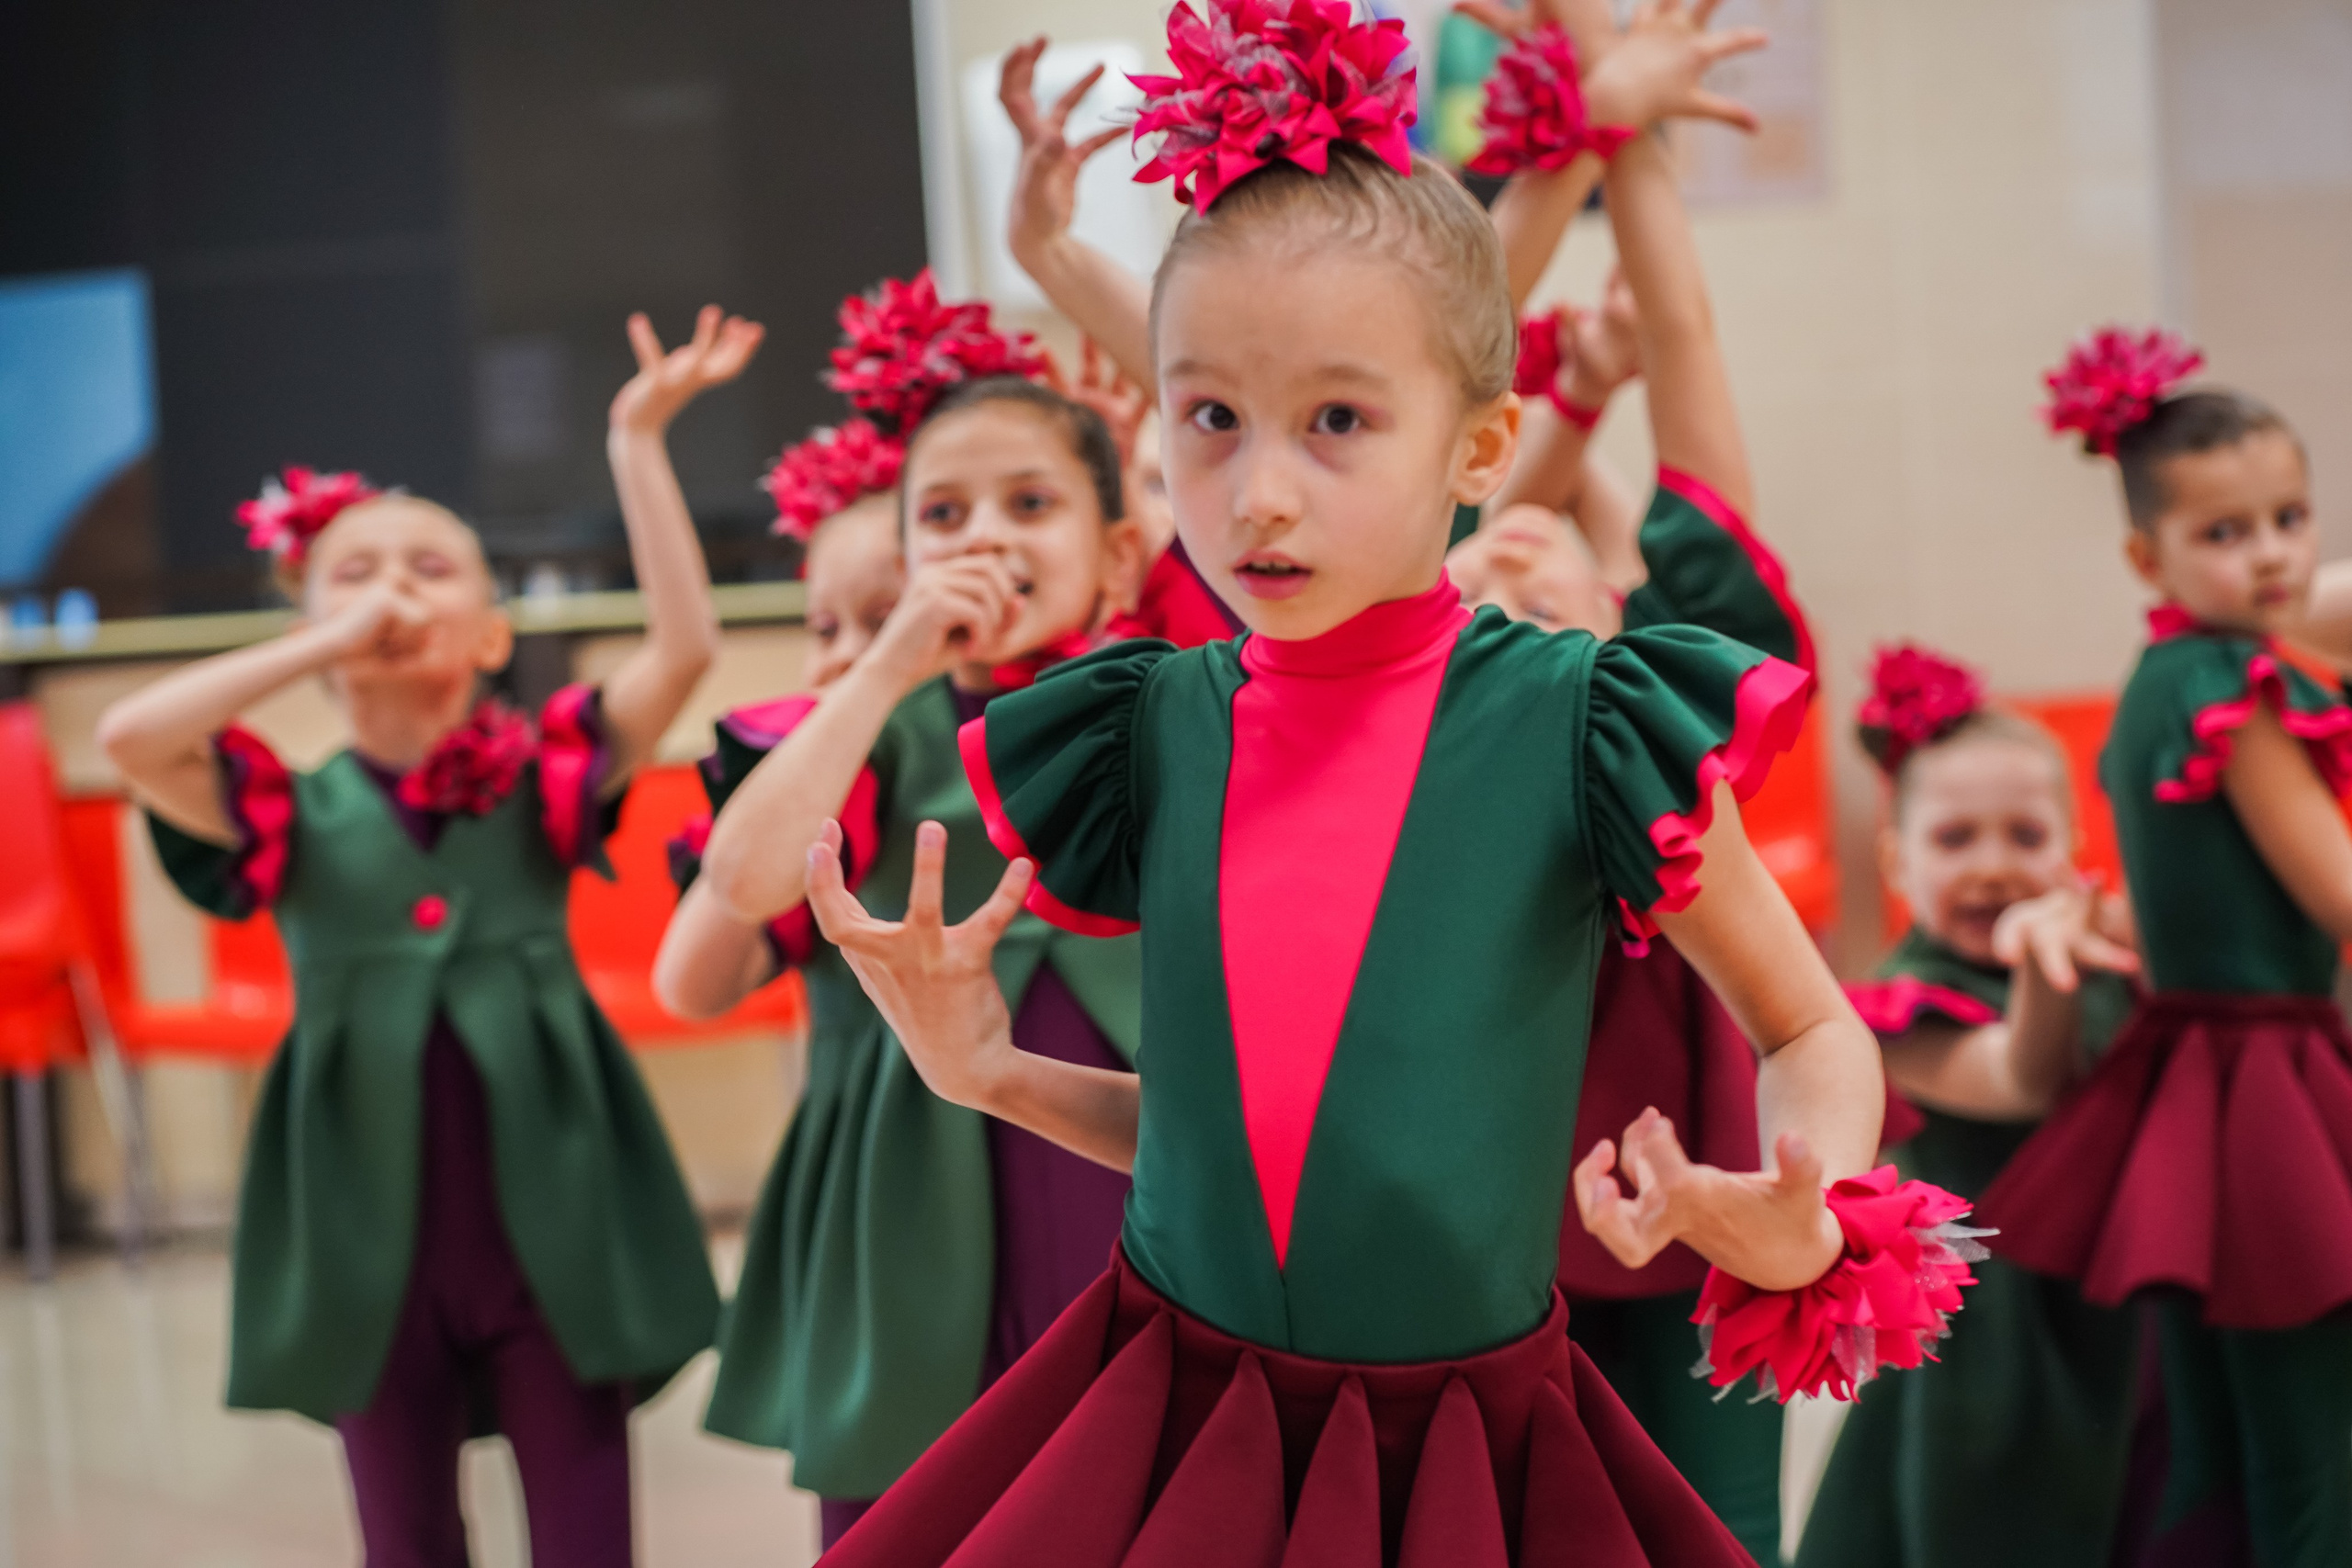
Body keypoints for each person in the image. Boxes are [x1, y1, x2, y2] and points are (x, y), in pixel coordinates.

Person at [798, 6, 1976, 1562]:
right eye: (1211, 417)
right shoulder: (1147, 726)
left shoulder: (1579, 720)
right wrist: (990, 1071)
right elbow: (1220, 1143)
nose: (1261, 491)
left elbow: (1811, 1020)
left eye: (1338, 421)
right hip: (1177, 1413)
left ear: (1479, 445)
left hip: (1460, 1450)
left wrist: (1801, 1191)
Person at [93, 305, 754, 1567]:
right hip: (363, 1226)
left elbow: (683, 647)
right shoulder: (279, 803)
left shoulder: (545, 771)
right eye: (356, 570)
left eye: (432, 568)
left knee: (587, 1529)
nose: (394, 591)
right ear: (308, 624)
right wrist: (320, 638)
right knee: (402, 1536)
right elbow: (132, 736)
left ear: (495, 633)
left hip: (558, 1213)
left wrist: (635, 444)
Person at [653, 276, 1155, 1551]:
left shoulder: (1171, 702)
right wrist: (886, 659)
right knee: (916, 1503)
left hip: (1122, 1150)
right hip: (913, 1182)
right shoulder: (879, 729)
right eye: (944, 514)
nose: (984, 535)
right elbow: (745, 885)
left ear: (1117, 547)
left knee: (1136, 1480)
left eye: (1030, 503)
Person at [1445, 34, 1812, 1543]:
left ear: (1633, 599)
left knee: (1710, 1533)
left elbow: (1692, 348)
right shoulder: (1414, 758)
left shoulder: (1675, 713)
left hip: (1694, 1223)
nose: (1512, 544)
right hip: (1472, 1241)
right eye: (1477, 555)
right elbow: (1431, 361)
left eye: (1546, 539)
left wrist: (1628, 126)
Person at [1974, 327, 2352, 1568]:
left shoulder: (2160, 680)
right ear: (2150, 554)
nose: (2274, 554)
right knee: (2316, 1447)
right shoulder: (2232, 688)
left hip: (2196, 1076)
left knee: (2220, 1439)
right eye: (2226, 532)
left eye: (2290, 516)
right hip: (2265, 1088)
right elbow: (2338, 893)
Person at [1795, 643, 2147, 1568]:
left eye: (2025, 837)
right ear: (1896, 863)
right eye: (1955, 841)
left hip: (2111, 1313)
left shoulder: (2102, 963)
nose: (1993, 867)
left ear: (2073, 849)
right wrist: (2045, 958)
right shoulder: (1900, 1011)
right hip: (1988, 1341)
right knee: (1988, 1525)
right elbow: (2025, 1079)